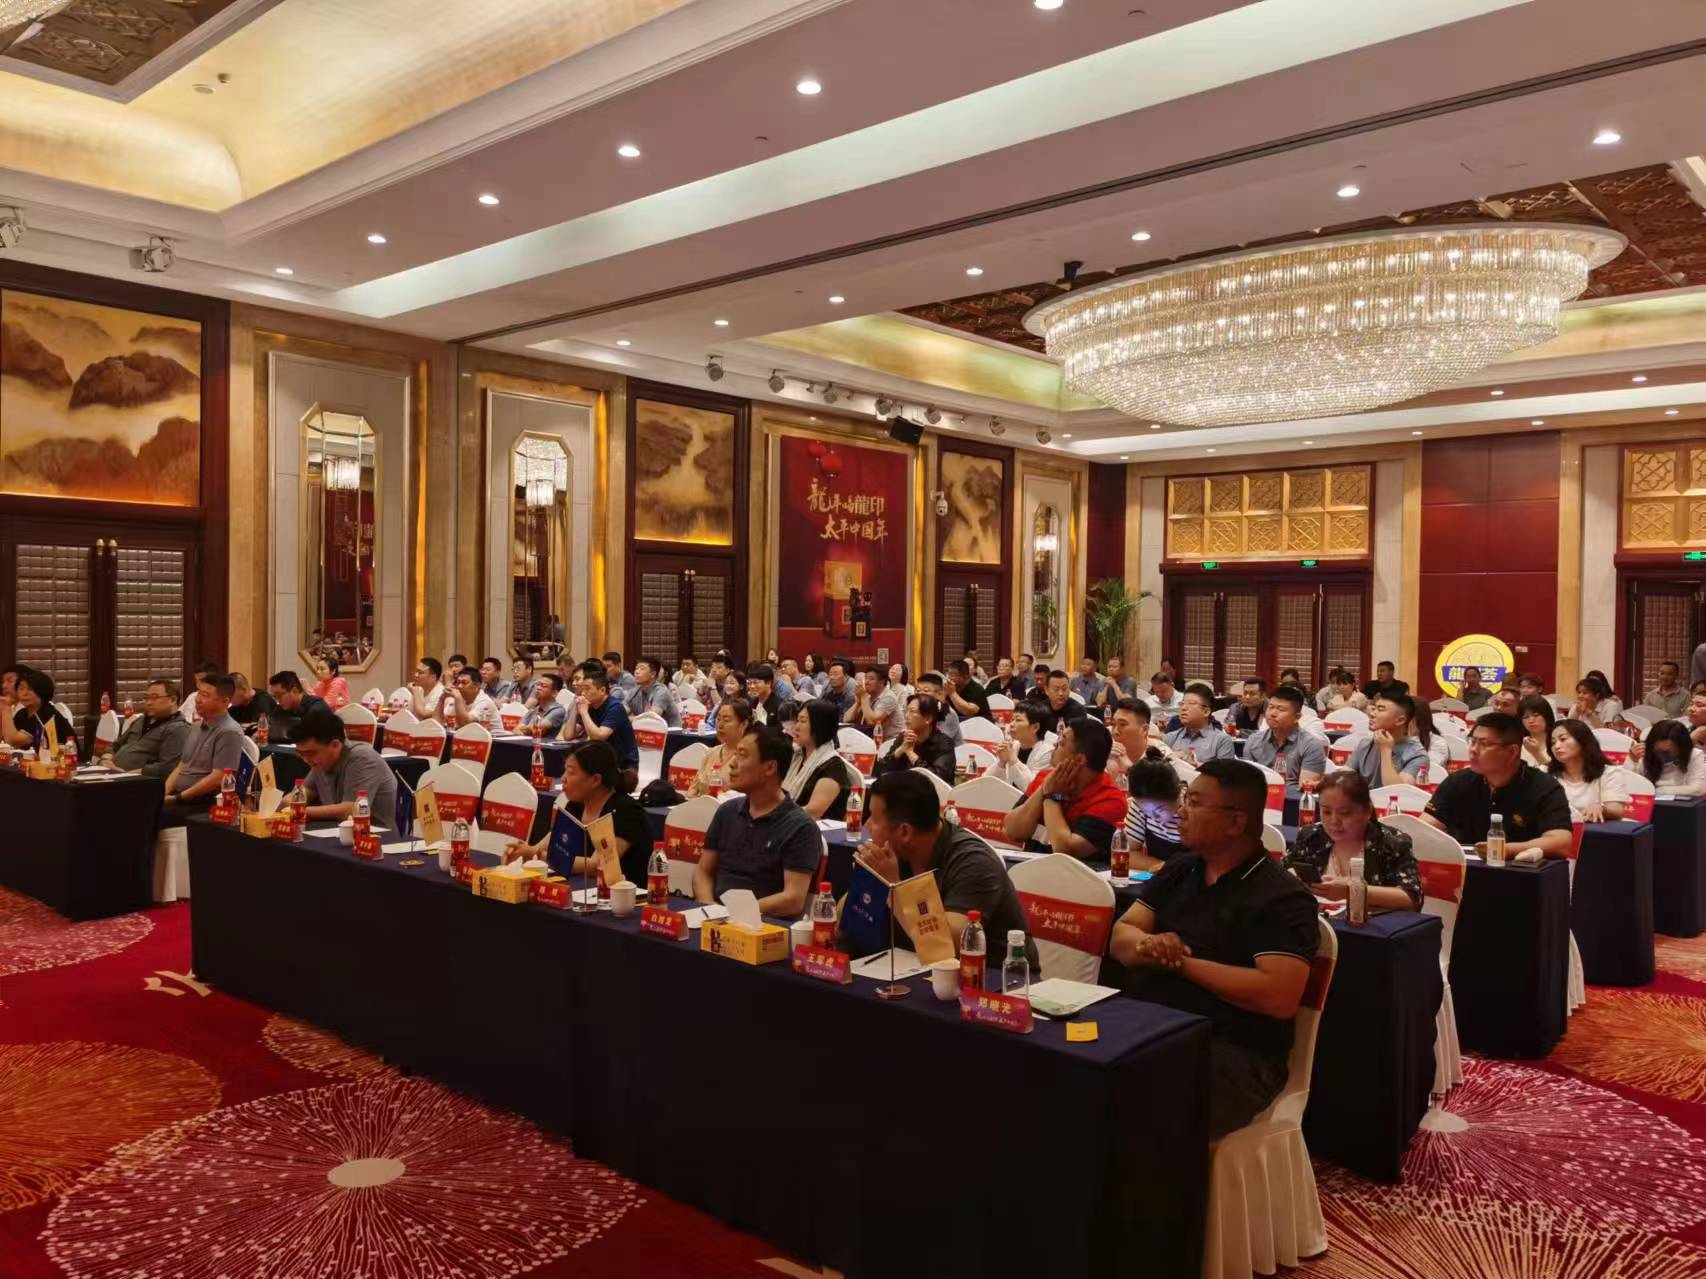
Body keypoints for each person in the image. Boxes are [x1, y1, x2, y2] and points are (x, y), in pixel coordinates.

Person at [1109, 758, 1320, 1138]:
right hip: (1151, 1023)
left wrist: (1179, 962)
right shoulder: (1181, 868)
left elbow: (1278, 995)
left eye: (1195, 803)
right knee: (1068, 1066)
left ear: (1236, 822)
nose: (1181, 811)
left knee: (1134, 1105)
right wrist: (1149, 944)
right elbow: (1122, 937)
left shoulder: (1282, 896)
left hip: (1234, 1052)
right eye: (1184, 799)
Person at [846, 769, 1037, 971]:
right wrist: (867, 879)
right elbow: (849, 922)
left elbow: (946, 947)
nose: (866, 825)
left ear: (904, 831)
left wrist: (893, 886)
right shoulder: (894, 853)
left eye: (875, 819)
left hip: (994, 979)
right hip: (917, 968)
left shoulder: (974, 862)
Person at [694, 726, 822, 915]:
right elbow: (703, 872)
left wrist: (732, 913)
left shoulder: (800, 827)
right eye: (735, 754)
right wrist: (709, 908)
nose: (732, 764)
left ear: (769, 767)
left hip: (762, 923)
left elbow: (793, 899)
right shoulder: (727, 811)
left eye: (742, 755)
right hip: (714, 915)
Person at [1422, 712, 1573, 858]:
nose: (1473, 750)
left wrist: (1506, 850)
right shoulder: (1458, 781)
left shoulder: (1544, 787)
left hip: (1518, 871)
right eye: (1472, 742)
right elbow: (1425, 827)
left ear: (1512, 752)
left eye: (1483, 744)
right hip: (1464, 869)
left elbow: (1561, 842)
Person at [508, 740, 655, 885]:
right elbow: (549, 844)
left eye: (571, 772)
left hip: (627, 895)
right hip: (585, 889)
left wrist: (538, 856)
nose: (563, 778)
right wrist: (522, 852)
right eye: (565, 770)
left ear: (595, 780)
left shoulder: (626, 812)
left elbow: (596, 865)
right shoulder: (576, 805)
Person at [1281, 770, 1423, 910]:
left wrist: (1354, 890)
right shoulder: (1311, 837)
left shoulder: (1392, 843)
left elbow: (1412, 898)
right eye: (1326, 812)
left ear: (1367, 811)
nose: (1334, 821)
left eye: (1345, 813)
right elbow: (1279, 874)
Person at [1004, 720, 1128, 859]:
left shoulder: (1111, 800)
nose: (1054, 746)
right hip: (1031, 866)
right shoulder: (1047, 778)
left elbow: (1066, 851)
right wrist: (1043, 789)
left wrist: (1052, 797)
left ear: (1079, 759)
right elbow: (1012, 832)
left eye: (1061, 743)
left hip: (1079, 871)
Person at [162, 673, 247, 818]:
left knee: (148, 815)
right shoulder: (196, 726)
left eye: (205, 695)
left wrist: (178, 798)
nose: (198, 699)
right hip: (180, 798)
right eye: (199, 693)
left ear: (225, 702)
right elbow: (182, 766)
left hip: (203, 803)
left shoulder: (229, 731)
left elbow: (218, 777)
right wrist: (163, 794)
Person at [291, 708, 397, 823]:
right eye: (301, 754)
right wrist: (288, 802)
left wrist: (297, 810)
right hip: (336, 830)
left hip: (373, 832)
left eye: (310, 753)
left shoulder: (363, 758)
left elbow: (351, 810)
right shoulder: (321, 761)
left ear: (335, 745)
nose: (306, 760)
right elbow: (305, 792)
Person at [1243, 685, 1327, 787]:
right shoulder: (1253, 740)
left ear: (1297, 717)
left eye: (1281, 709)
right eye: (1271, 707)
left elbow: (1305, 788)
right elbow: (1247, 782)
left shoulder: (1311, 745)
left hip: (1293, 796)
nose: (1273, 713)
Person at [571, 669, 639, 792]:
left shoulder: (615, 707)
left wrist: (584, 713)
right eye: (583, 689)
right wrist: (574, 711)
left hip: (623, 768)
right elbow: (569, 735)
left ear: (602, 690)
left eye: (587, 689)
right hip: (601, 764)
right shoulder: (590, 706)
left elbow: (599, 736)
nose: (583, 693)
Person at [1548, 719, 1628, 822]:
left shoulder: (1609, 772)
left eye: (1563, 739)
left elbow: (1617, 810)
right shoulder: (1545, 774)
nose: (1556, 746)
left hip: (1595, 829)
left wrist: (1602, 809)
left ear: (1582, 741)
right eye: (1553, 742)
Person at [107, 679, 190, 778]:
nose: (148, 702)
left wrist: (128, 774)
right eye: (146, 698)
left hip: (138, 780)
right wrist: (105, 760)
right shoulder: (141, 720)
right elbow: (116, 745)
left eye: (155, 698)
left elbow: (167, 768)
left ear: (173, 700)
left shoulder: (178, 729)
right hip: (110, 773)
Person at [783, 699, 850, 820]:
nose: (796, 727)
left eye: (803, 721)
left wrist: (774, 813)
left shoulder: (833, 766)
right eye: (797, 720)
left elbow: (812, 812)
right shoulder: (797, 756)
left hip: (813, 828)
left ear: (819, 726)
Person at [872, 693, 956, 785]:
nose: (906, 716)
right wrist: (900, 751)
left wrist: (910, 753)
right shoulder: (904, 737)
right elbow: (879, 772)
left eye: (912, 711)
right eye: (906, 711)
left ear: (928, 719)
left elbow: (937, 779)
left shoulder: (944, 742)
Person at [1124, 748, 1186, 870]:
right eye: (1146, 811)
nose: (1153, 817)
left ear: (1178, 793)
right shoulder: (1140, 804)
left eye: (1160, 809)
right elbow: (1127, 854)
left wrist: (1172, 870)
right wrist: (1166, 868)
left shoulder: (1194, 810)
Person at [1348, 694, 1427, 788]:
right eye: (1374, 708)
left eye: (1380, 710)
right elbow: (1344, 778)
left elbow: (1398, 791)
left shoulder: (1417, 755)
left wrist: (1385, 750)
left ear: (1400, 720)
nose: (1372, 714)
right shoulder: (1365, 743)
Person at [688, 696, 753, 797]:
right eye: (718, 719)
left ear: (743, 724)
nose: (720, 725)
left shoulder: (749, 757)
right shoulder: (710, 753)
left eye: (726, 720)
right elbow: (693, 790)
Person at [1, 666, 77, 753]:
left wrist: (5, 708)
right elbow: (5, 739)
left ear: (42, 691)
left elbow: (14, 741)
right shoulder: (22, 714)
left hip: (66, 759)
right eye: (21, 688)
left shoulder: (47, 713)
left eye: (30, 689)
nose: (24, 693)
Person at [1164, 684, 1236, 764]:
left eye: (1191, 703)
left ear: (1206, 712)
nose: (1183, 708)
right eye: (1182, 703)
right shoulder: (1170, 738)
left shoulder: (1221, 740)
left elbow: (1225, 771)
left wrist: (1196, 765)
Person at [1636, 720, 1706, 797]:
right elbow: (1631, 786)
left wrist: (1658, 790)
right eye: (1659, 750)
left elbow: (1698, 789)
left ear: (1682, 748)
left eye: (1667, 752)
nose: (1662, 755)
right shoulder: (1647, 753)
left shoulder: (1697, 755)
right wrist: (1632, 761)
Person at [990, 702, 1050, 790]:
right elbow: (990, 783)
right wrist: (1001, 763)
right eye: (1012, 720)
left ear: (1035, 727)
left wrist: (1013, 760)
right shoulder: (1013, 746)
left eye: (1018, 720)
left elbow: (1032, 789)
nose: (1011, 724)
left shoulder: (1047, 753)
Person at [1108, 697, 1170, 777]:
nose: (1115, 732)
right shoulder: (1106, 750)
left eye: (1122, 724)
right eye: (1113, 724)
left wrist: (1130, 769)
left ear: (1144, 730)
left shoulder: (1162, 756)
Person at [847, 665, 905, 740]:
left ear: (882, 681)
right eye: (866, 678)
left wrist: (863, 698)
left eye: (871, 679)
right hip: (874, 740)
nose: (866, 682)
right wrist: (858, 703)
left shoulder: (889, 697)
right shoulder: (868, 696)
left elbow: (873, 722)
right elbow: (847, 719)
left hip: (893, 741)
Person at [626, 656, 680, 727]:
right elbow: (620, 712)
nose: (636, 672)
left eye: (642, 669)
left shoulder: (661, 691)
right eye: (636, 668)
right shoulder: (634, 691)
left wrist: (625, 719)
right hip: (645, 730)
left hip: (671, 732)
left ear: (653, 674)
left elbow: (651, 719)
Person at [914, 671, 963, 743]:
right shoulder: (917, 710)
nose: (920, 694)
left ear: (939, 694)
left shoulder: (948, 713)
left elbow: (940, 742)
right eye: (918, 690)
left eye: (926, 691)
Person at [1038, 668, 1089, 736]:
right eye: (1056, 689)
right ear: (1046, 690)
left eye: (1064, 689)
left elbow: (1078, 737)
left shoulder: (1078, 710)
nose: (1061, 693)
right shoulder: (1040, 709)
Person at [448, 666, 501, 731]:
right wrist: (442, 699)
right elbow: (440, 721)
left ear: (477, 685)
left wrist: (458, 697)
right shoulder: (459, 697)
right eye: (458, 682)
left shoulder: (485, 701)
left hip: (493, 737)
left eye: (464, 683)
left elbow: (465, 723)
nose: (459, 686)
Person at [406, 657, 454, 723]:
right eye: (416, 671)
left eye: (420, 672)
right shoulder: (419, 689)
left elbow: (424, 714)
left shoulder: (441, 692)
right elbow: (408, 713)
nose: (416, 675)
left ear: (433, 677)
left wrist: (416, 692)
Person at [944, 659, 991, 724]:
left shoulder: (977, 689)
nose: (949, 678)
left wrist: (952, 693)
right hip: (956, 723)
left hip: (979, 724)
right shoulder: (949, 686)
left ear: (965, 677)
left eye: (953, 675)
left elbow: (969, 712)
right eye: (949, 674)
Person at [1517, 694, 1557, 769]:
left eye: (1536, 715)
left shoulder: (1558, 743)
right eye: (1526, 717)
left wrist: (1537, 753)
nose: (1531, 721)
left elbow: (1558, 773)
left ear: (1547, 715)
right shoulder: (1517, 744)